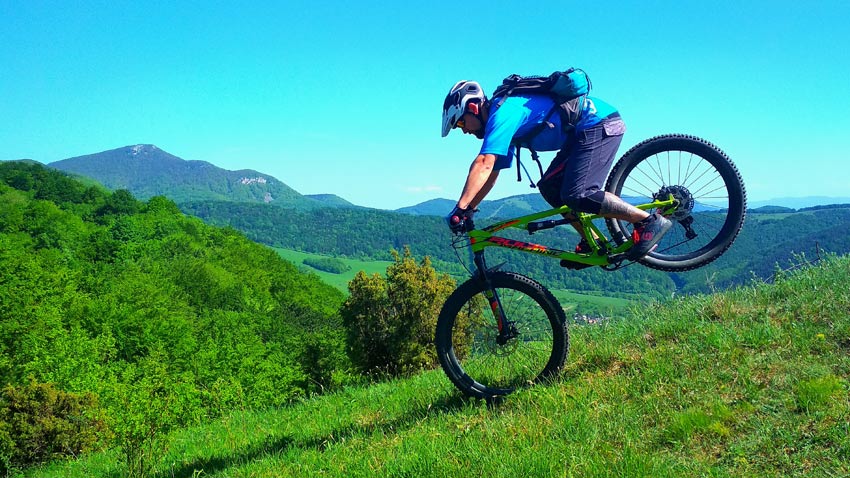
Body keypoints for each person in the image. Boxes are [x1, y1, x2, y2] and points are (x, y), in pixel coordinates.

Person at [441, 78, 672, 267]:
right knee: (551, 188)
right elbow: (491, 174)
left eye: (460, 124)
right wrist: (470, 209)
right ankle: (591, 243)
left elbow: (484, 162)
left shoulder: (503, 113)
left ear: (472, 107)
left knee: (578, 194)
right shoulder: (501, 120)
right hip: (581, 134)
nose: (463, 131)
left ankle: (648, 221)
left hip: (599, 123)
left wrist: (459, 208)